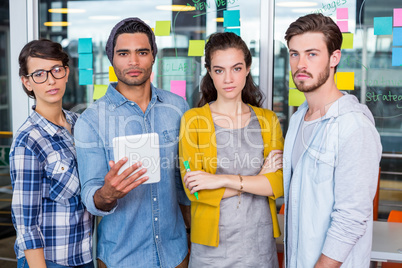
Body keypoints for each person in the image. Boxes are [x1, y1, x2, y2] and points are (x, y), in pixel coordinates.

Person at [74, 18, 190, 268]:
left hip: (176, 253)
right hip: (121, 259)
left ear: (153, 57)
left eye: (142, 52)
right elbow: (90, 194)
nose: (134, 62)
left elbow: (182, 182)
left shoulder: (178, 107)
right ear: (112, 59)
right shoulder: (91, 120)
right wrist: (106, 194)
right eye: (124, 53)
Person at [283, 13, 382, 267]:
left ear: (334, 58)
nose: (301, 64)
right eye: (294, 54)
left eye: (312, 54)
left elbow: (350, 219)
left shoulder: (354, 126)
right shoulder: (297, 120)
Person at [179, 32, 284, 267]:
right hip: (211, 249)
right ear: (209, 71)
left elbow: (277, 185)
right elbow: (195, 192)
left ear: (247, 68)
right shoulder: (193, 120)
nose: (228, 78)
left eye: (236, 68)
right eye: (219, 70)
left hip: (259, 245)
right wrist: (257, 181)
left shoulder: (268, 121)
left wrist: (219, 180)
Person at [9, 39, 93, 268]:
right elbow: (26, 223)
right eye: (39, 74)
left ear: (66, 73)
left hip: (85, 255)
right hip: (49, 260)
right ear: (27, 82)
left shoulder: (80, 124)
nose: (50, 80)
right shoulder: (29, 140)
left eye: (56, 70)